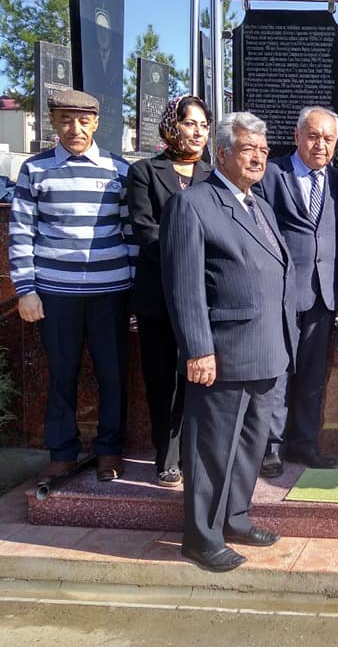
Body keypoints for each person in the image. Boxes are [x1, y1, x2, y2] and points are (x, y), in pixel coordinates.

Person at [161, 112, 298, 572]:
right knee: (211, 449)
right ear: (221, 153)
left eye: (264, 150)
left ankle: (235, 518)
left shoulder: (259, 205)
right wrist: (198, 349)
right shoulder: (193, 204)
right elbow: (184, 286)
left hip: (267, 350)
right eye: (248, 149)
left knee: (249, 446)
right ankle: (200, 537)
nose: (259, 157)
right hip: (222, 353)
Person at [9, 89, 136, 483]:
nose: (75, 129)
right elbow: (21, 231)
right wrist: (26, 289)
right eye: (66, 120)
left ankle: (109, 450)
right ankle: (62, 451)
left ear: (96, 123)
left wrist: (135, 292)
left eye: (83, 121)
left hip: (110, 292)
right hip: (55, 293)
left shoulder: (118, 169)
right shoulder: (35, 169)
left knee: (112, 374)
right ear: (54, 122)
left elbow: (131, 233)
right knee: (61, 373)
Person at [128, 95, 214, 488]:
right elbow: (146, 232)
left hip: (204, 298)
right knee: (163, 379)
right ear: (171, 125)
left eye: (204, 125)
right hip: (159, 296)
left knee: (197, 378)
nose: (198, 132)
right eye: (190, 123)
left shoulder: (213, 175)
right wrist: (191, 258)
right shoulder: (145, 172)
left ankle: (194, 451)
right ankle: (166, 456)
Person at [255, 106, 338, 477]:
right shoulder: (271, 174)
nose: (320, 145)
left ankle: (304, 443)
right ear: (297, 136)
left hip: (323, 294)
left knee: (312, 374)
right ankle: (271, 447)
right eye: (313, 136)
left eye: (328, 138)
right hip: (281, 293)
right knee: (278, 372)